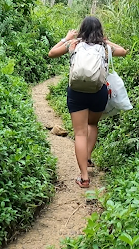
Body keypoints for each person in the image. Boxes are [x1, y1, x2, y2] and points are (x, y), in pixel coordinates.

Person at [48, 16, 128, 188]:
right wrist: (107, 41)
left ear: (82, 28)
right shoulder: (104, 47)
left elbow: (51, 53)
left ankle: (84, 177)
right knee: (92, 125)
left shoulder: (74, 44)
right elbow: (123, 51)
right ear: (100, 30)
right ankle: (88, 157)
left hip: (76, 93)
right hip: (98, 92)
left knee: (79, 133)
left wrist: (66, 38)